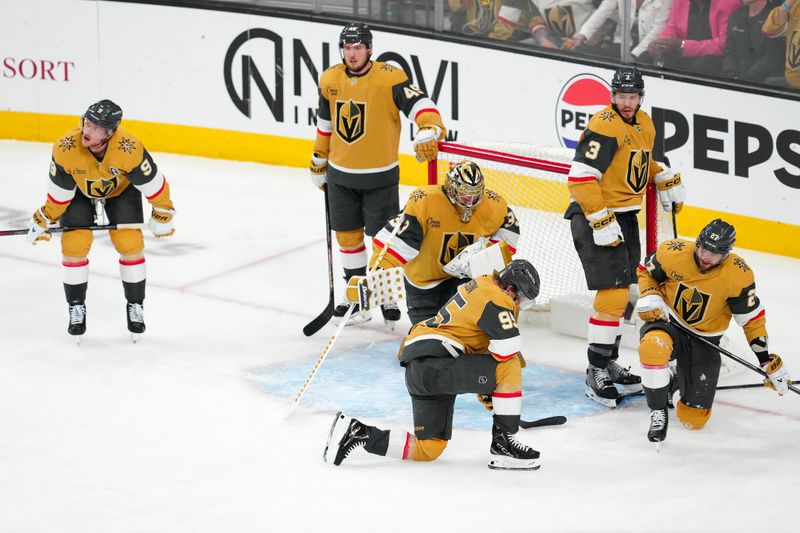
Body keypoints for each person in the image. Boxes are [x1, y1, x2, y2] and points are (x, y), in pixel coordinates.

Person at [324, 259, 542, 470]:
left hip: (422, 370)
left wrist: (492, 389)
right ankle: (503, 445)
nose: (518, 305)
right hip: (437, 360)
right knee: (510, 364)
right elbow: (508, 350)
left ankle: (359, 433)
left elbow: (477, 341)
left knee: (428, 448)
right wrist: (500, 399)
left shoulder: (482, 283)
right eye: (521, 299)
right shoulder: (497, 297)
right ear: (511, 288)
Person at [309, 22, 447, 327]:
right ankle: (357, 298)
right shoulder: (330, 79)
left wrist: (429, 125)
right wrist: (319, 158)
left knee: (383, 239)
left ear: (370, 49)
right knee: (348, 238)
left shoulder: (390, 77)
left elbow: (420, 103)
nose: (352, 54)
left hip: (380, 177)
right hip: (341, 174)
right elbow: (325, 124)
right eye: (347, 47)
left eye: (358, 47)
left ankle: (384, 294)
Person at [563, 66, 686, 407]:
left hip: (626, 219)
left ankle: (608, 361)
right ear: (612, 96)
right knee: (614, 294)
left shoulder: (645, 123)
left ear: (641, 97)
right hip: (595, 217)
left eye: (632, 97)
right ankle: (596, 370)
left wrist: (662, 175)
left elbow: (638, 165)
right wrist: (600, 220)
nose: (627, 102)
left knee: (629, 293)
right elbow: (580, 177)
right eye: (621, 96)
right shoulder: (604, 124)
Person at [26, 99, 176, 339]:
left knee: (130, 243)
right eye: (87, 123)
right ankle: (76, 305)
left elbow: (153, 184)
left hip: (121, 190)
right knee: (74, 244)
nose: (87, 130)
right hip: (78, 193)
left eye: (96, 128)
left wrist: (163, 212)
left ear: (110, 133)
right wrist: (45, 218)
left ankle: (135, 304)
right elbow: (60, 194)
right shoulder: (65, 147)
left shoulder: (129, 148)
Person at [635, 219, 791, 443]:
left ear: (726, 254)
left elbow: (751, 320)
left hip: (704, 339)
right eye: (704, 248)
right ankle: (658, 411)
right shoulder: (672, 252)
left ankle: (673, 383)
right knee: (653, 346)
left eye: (715, 253)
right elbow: (645, 271)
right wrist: (650, 294)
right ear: (698, 243)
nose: (706, 257)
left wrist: (766, 360)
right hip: (668, 322)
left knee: (693, 420)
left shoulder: (738, 275)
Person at [370, 160, 520, 326]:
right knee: (428, 332)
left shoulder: (494, 204)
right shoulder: (425, 202)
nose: (471, 202)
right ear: (451, 190)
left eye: (475, 196)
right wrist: (380, 271)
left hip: (463, 282)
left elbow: (509, 232)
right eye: (465, 195)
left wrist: (485, 256)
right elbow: (396, 242)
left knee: (466, 329)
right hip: (423, 285)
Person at [647, 0, 740, 75]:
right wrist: (660, 42)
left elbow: (723, 45)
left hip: (714, 58)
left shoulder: (728, 3)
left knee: (702, 65)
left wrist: (683, 45)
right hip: (683, 55)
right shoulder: (680, 1)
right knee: (646, 57)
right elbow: (672, 28)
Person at [561, 0, 673, 61]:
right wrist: (582, 36)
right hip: (621, 45)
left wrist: (634, 55)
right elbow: (603, 11)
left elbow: (659, 27)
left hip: (648, 49)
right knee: (582, 53)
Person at [722, 0, 785, 82]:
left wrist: (747, 77)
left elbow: (774, 56)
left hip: (763, 81)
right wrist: (731, 74)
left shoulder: (775, 17)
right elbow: (730, 51)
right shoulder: (736, 15)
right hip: (736, 79)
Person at [762, 0, 800, 89]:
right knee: (766, 85)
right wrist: (787, 4)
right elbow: (769, 31)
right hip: (791, 81)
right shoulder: (795, 5)